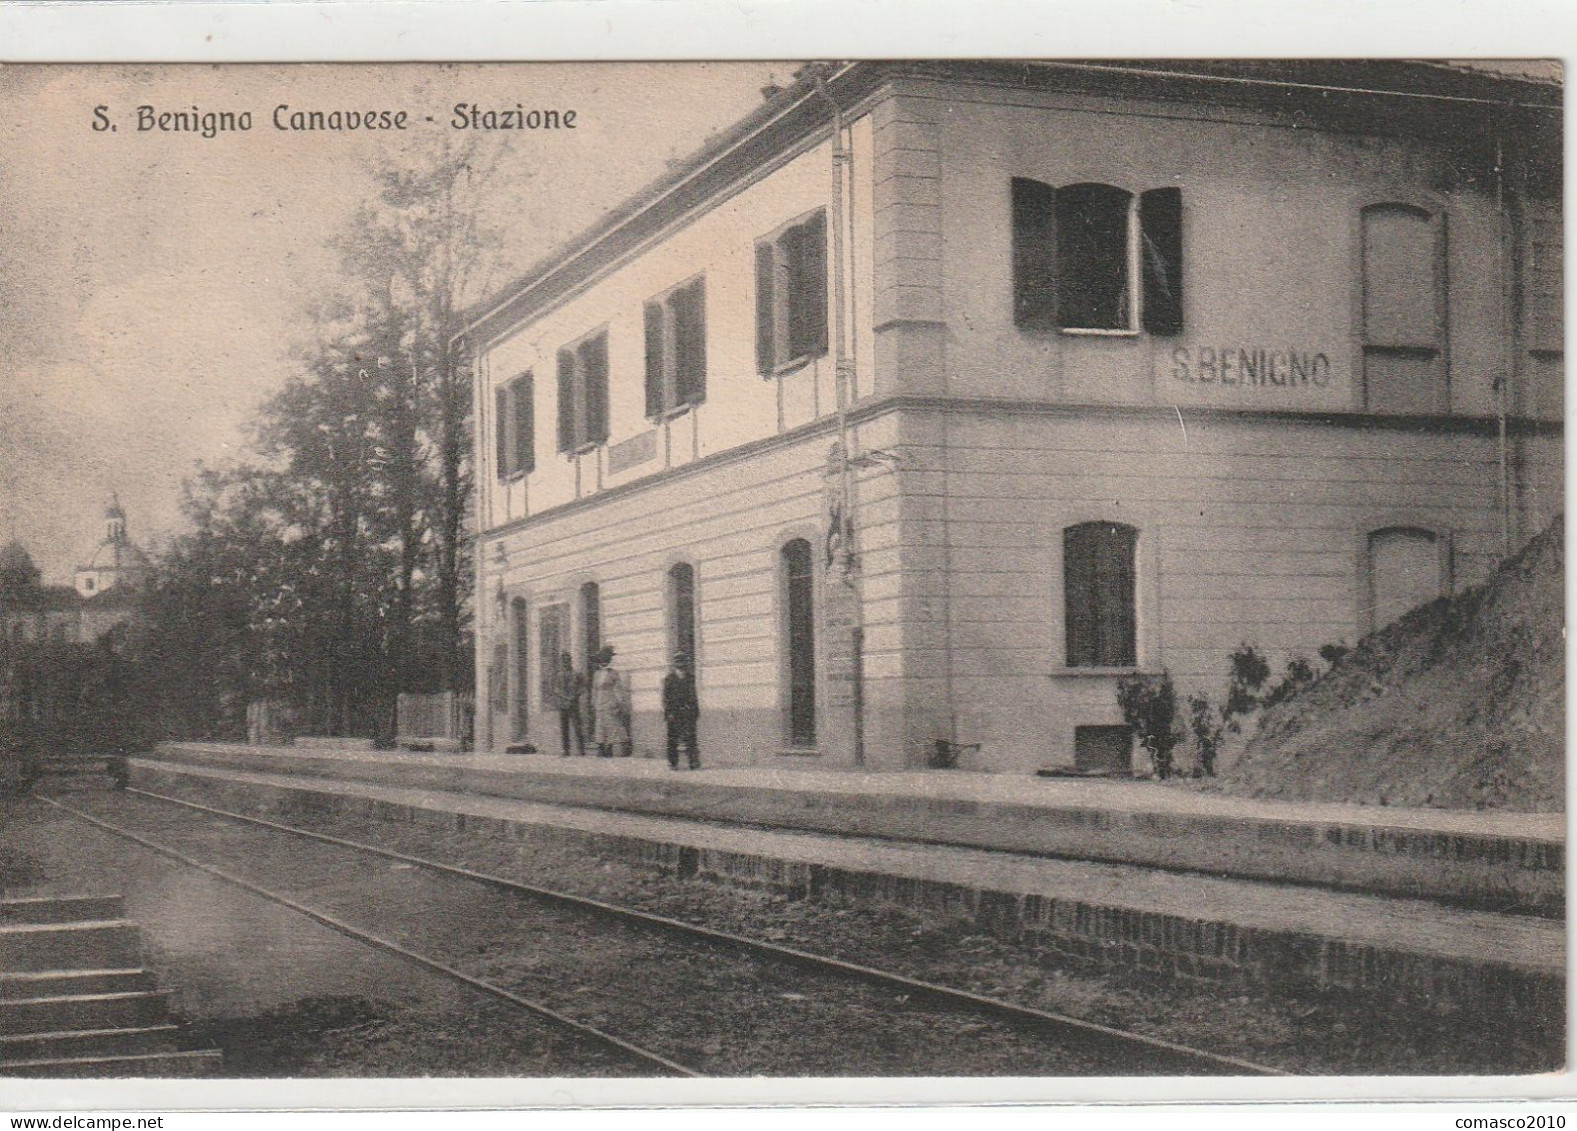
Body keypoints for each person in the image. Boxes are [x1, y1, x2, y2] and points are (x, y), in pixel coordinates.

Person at [662, 651, 701, 770]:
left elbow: (694, 696)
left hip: (688, 711)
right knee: (673, 738)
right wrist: (668, 713)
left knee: (691, 737)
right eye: (678, 662)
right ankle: (673, 762)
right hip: (674, 712)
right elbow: (666, 698)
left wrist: (695, 711)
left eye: (683, 662)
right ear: (675, 664)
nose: (681, 665)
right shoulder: (669, 679)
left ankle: (693, 762)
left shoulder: (690, 678)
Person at [590, 644, 630, 758]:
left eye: (606, 658)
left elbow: (618, 689)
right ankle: (601, 746)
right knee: (600, 724)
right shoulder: (596, 674)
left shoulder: (613, 673)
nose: (604, 661)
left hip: (610, 700)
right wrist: (593, 701)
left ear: (609, 659)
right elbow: (594, 689)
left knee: (612, 724)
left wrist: (618, 703)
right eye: (602, 658)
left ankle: (612, 746)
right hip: (599, 701)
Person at [547, 651, 586, 757]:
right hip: (563, 704)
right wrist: (564, 697)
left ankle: (581, 749)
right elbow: (555, 688)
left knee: (577, 727)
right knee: (564, 728)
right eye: (563, 661)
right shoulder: (559, 675)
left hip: (574, 703)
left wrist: (574, 696)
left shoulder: (577, 674)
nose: (565, 663)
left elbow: (582, 687)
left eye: (567, 660)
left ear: (570, 661)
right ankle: (566, 750)